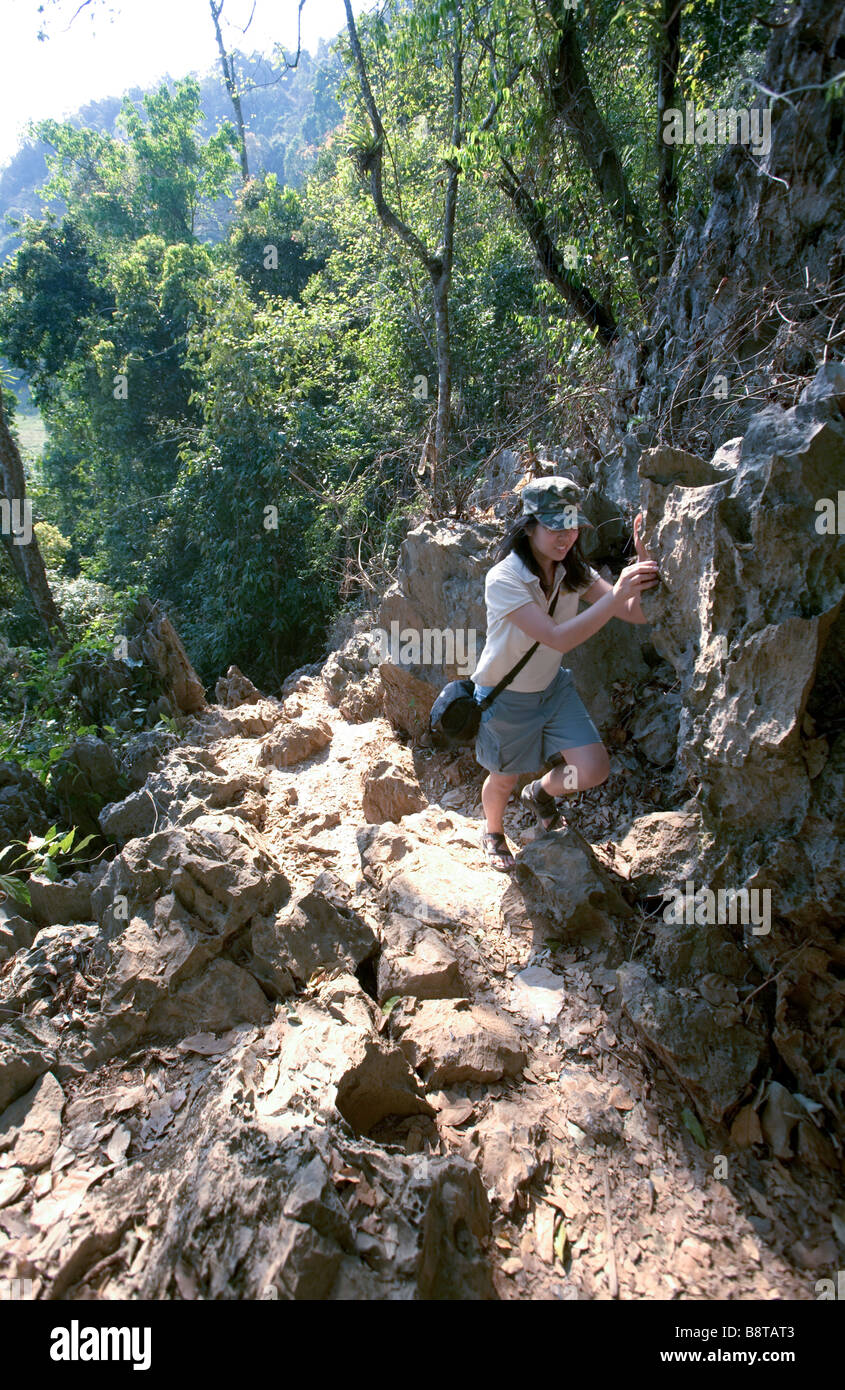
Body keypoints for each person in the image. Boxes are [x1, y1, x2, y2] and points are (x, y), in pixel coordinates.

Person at [471, 475, 659, 871]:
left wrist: (641, 563)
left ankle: (541, 792)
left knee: (593, 769)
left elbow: (635, 613)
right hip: (507, 696)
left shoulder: (574, 571)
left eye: (573, 526)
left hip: (552, 689)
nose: (566, 536)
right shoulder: (504, 579)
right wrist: (618, 595)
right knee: (503, 779)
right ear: (529, 527)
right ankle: (492, 831)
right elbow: (556, 638)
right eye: (555, 526)